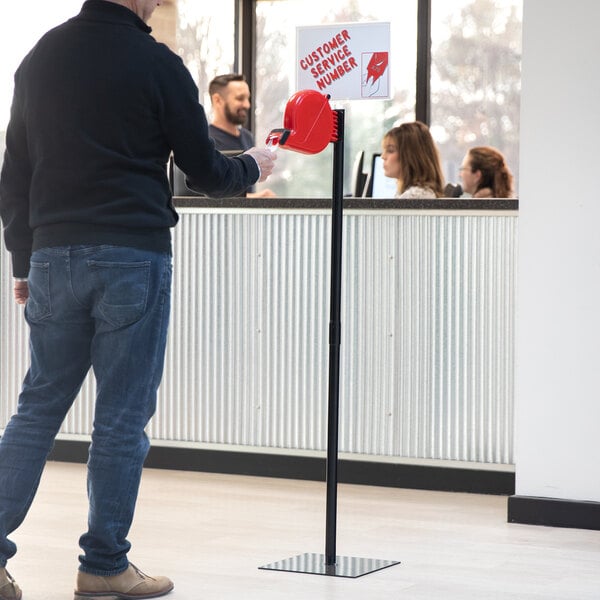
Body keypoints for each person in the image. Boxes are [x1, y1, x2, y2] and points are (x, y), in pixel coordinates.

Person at [0, 1, 276, 599]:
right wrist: (253, 165)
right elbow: (203, 170)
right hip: (131, 255)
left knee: (36, 409)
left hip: (52, 255)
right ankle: (103, 566)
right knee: (121, 419)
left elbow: (14, 172)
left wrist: (25, 259)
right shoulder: (157, 63)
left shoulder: (41, 57)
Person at [208, 73, 276, 198]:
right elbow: (209, 192)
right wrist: (258, 198)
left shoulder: (247, 137)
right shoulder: (206, 140)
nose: (247, 105)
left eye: (247, 98)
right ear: (217, 100)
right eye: (240, 98)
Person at [381, 121, 445, 199]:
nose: (383, 156)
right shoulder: (409, 194)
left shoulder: (415, 197)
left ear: (410, 156)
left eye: (390, 150)